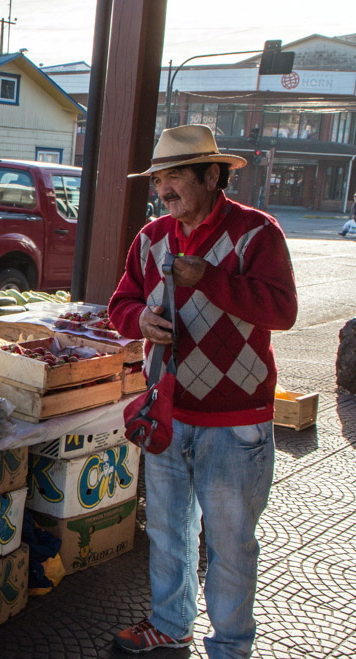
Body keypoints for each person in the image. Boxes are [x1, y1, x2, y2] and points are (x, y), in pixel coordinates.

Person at [109, 124, 297, 657]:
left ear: (212, 176)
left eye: (174, 177)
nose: (163, 190)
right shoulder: (151, 237)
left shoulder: (257, 233)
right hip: (168, 412)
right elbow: (121, 304)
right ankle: (172, 624)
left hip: (236, 423)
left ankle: (231, 647)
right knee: (167, 532)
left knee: (230, 545)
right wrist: (140, 320)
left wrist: (210, 278)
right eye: (158, 180)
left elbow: (282, 311)